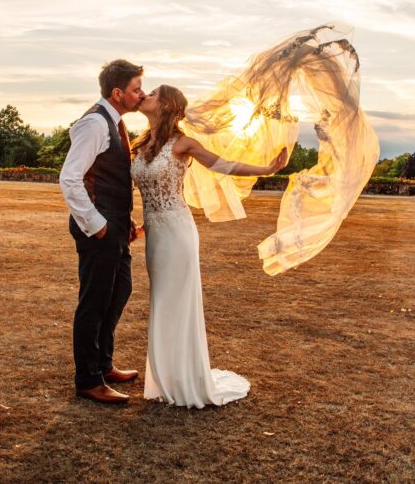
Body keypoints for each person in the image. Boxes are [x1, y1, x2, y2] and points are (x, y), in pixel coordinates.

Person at [131, 84, 286, 408]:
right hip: (157, 234)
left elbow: (223, 165)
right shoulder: (141, 143)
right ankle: (165, 378)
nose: (146, 94)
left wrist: (267, 169)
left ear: (167, 106)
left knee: (175, 302)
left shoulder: (183, 143)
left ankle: (184, 379)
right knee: (162, 302)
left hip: (178, 234)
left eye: (155, 93)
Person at [59, 59, 145, 404]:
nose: (142, 94)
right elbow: (70, 178)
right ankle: (88, 380)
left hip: (115, 227)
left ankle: (104, 364)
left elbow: (111, 178)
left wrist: (124, 223)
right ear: (118, 92)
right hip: (98, 229)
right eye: (137, 89)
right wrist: (98, 227)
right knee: (93, 302)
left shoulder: (115, 122)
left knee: (119, 290)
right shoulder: (95, 123)